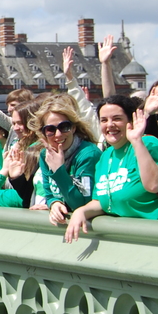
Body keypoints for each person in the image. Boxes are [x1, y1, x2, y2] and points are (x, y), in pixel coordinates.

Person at [63, 95, 158, 243]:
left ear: (130, 121)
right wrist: (81, 211)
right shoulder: (105, 156)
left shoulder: (148, 144)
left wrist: (136, 140)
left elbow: (154, 185)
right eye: (104, 120)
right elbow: (102, 201)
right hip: (123, 238)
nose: (110, 125)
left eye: (116, 119)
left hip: (157, 238)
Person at [28, 96, 99, 225]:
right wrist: (54, 203)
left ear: (73, 128)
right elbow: (49, 194)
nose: (58, 134)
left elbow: (82, 204)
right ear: (43, 133)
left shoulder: (88, 154)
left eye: (64, 127)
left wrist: (59, 171)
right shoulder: (46, 154)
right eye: (50, 130)